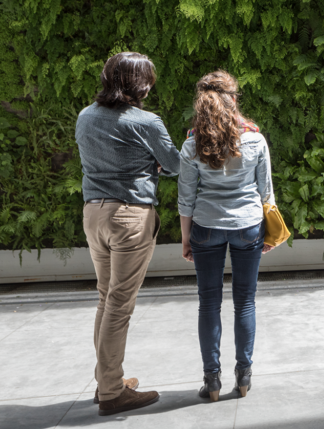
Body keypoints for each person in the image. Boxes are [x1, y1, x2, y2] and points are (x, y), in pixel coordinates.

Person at [76, 52, 180, 416]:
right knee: (119, 306)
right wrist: (154, 163)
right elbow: (177, 164)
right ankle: (111, 393)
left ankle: (108, 380)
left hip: (94, 213)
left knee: (106, 299)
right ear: (141, 84)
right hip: (130, 215)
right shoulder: (146, 121)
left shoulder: (85, 115)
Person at [177, 71, 276, 402]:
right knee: (245, 301)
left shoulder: (192, 143)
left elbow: (186, 198)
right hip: (248, 227)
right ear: (233, 100)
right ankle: (244, 376)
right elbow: (266, 194)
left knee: (209, 302)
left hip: (206, 228)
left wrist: (186, 238)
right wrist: (271, 231)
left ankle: (212, 381)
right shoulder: (255, 140)